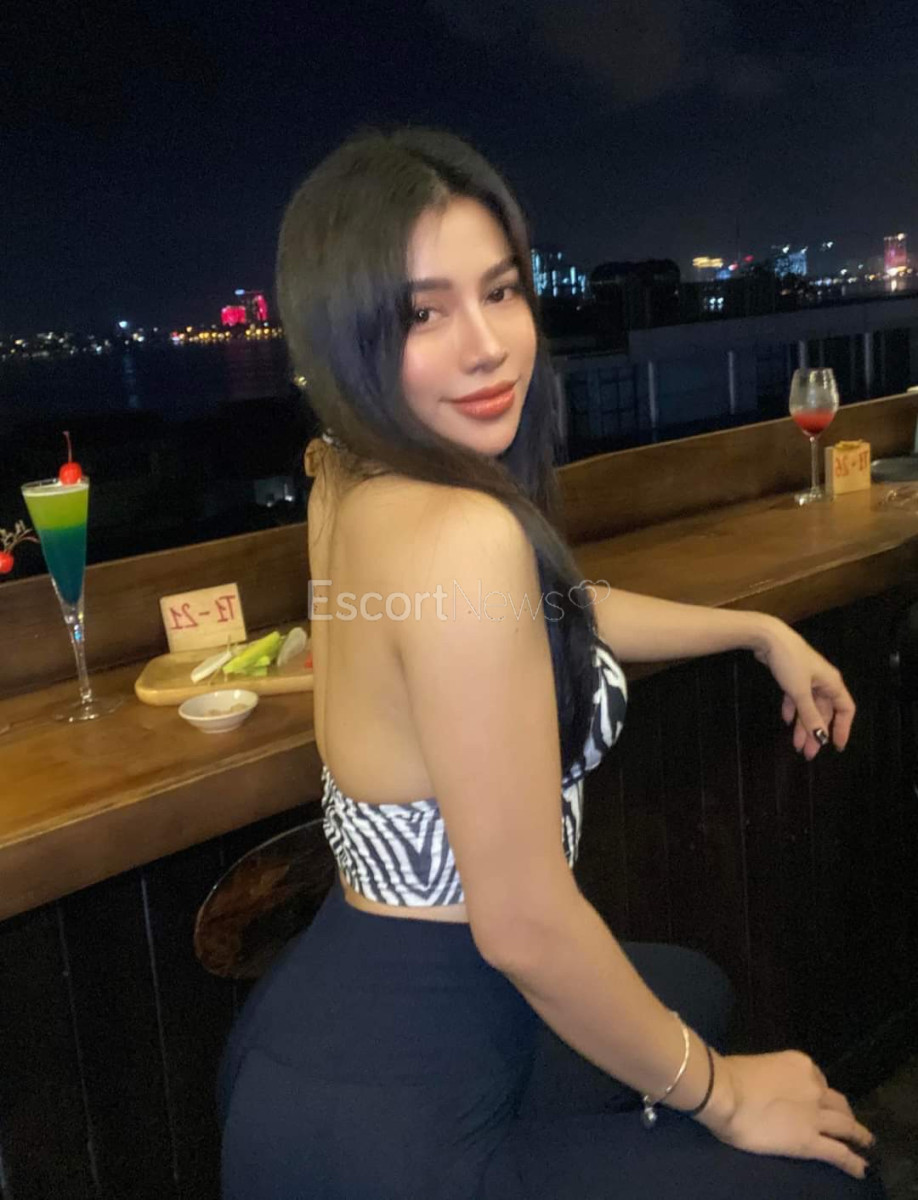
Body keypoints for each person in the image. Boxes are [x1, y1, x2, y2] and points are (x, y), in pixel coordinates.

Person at [217, 126, 884, 1199]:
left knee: (693, 988)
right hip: (406, 1123)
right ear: (345, 337)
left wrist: (759, 630)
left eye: (501, 291)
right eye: (423, 313)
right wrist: (724, 1094)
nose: (488, 346)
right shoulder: (459, 533)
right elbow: (525, 924)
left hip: (320, 1029)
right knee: (830, 1183)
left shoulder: (342, 471)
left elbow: (548, 614)